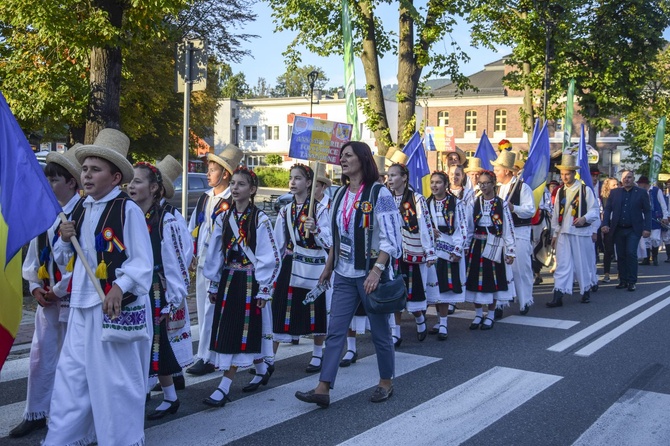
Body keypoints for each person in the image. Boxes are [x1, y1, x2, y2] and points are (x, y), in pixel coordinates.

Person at [45, 129, 153, 446]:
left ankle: (121, 440)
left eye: (95, 169)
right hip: (81, 305)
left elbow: (142, 261)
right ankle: (62, 439)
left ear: (115, 176)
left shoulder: (126, 210)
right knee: (72, 378)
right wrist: (64, 238)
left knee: (114, 384)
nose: (86, 175)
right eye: (85, 169)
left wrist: (120, 286)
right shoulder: (79, 208)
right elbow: (68, 258)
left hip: (111, 309)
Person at [295, 141, 402, 408]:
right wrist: (328, 267)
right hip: (343, 273)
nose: (342, 160)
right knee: (335, 332)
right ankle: (323, 387)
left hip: (370, 275)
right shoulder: (341, 194)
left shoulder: (380, 194)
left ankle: (386, 381)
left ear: (362, 159)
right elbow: (337, 236)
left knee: (379, 333)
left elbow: (392, 239)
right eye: (341, 156)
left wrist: (377, 271)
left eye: (348, 155)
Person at [10, 146, 82, 439]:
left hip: (72, 299)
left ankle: (63, 416)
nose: (49, 185)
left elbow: (84, 261)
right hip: (48, 298)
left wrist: (60, 288)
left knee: (69, 359)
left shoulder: (82, 211)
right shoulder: (46, 212)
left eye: (54, 180)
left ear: (71, 183)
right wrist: (35, 286)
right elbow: (33, 257)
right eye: (47, 179)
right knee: (40, 355)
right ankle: (36, 411)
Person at [201, 167, 281, 406]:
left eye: (241, 184)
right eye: (233, 184)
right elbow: (214, 252)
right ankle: (261, 368)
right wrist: (214, 283)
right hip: (228, 280)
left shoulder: (260, 219)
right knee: (234, 328)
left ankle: (224, 386)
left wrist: (264, 288)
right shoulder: (224, 217)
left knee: (239, 330)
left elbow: (270, 256)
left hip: (249, 281)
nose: (235, 188)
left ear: (252, 190)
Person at [128, 159, 193, 420]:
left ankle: (170, 396)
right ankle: (146, 391)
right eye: (130, 181)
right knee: (138, 342)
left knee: (157, 342)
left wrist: (173, 300)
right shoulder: (129, 213)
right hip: (134, 286)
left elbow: (177, 263)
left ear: (154, 188)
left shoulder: (167, 220)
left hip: (155, 288)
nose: (131, 186)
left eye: (138, 181)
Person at [187, 144, 243, 376]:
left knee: (212, 310)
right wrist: (191, 253)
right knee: (203, 309)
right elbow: (194, 227)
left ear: (225, 174)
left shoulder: (233, 200)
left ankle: (207, 356)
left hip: (221, 266)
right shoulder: (205, 198)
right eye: (209, 169)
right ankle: (208, 352)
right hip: (202, 262)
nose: (208, 174)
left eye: (212, 170)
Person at [272, 164, 331, 372]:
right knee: (281, 306)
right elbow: (277, 244)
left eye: (297, 178)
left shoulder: (320, 209)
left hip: (314, 263)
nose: (292, 182)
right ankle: (271, 356)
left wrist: (316, 229)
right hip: (290, 262)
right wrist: (273, 272)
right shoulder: (286, 211)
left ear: (309, 183)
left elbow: (331, 241)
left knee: (316, 307)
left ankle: (317, 353)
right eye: (291, 178)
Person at [386, 152, 436, 346]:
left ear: (404, 177)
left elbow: (425, 226)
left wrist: (430, 251)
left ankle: (420, 319)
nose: (390, 179)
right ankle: (396, 332)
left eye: (394, 175)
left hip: (412, 251)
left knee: (413, 292)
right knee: (394, 292)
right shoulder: (385, 198)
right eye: (388, 176)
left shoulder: (416, 199)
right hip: (392, 253)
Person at [464, 170, 516, 330]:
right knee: (475, 280)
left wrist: (510, 251)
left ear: (494, 184)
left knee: (492, 281)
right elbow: (469, 227)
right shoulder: (474, 203)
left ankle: (491, 314)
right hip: (477, 247)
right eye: (480, 183)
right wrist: (466, 246)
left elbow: (508, 228)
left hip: (495, 246)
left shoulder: (502, 204)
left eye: (486, 183)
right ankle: (478, 313)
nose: (483, 186)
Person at [547, 154, 600, 307]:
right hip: (564, 233)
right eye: (562, 174)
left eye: (567, 173)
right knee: (563, 264)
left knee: (581, 263)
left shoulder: (585, 190)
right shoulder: (560, 192)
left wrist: (584, 218)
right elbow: (556, 214)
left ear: (573, 174)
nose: (564, 177)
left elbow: (594, 210)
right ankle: (558, 294)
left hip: (580, 233)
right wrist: (555, 233)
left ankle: (585, 290)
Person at [425, 171, 468, 340]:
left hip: (449, 246)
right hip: (433, 249)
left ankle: (443, 324)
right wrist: (430, 231)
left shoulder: (456, 203)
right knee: (435, 286)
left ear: (445, 185)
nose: (435, 186)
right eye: (432, 182)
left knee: (445, 288)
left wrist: (458, 248)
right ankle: (438, 320)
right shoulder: (427, 203)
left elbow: (462, 226)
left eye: (438, 182)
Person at [492, 150, 535, 315]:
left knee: (520, 269)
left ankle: (525, 300)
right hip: (502, 235)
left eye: (497, 170)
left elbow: (530, 210)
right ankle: (500, 304)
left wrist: (514, 208)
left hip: (519, 233)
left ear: (507, 171)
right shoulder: (496, 189)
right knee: (501, 270)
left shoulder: (522, 188)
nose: (495, 173)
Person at [602, 170, 651, 291]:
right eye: (624, 178)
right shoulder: (615, 193)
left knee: (630, 253)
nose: (627, 180)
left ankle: (632, 281)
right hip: (618, 228)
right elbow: (608, 209)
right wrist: (605, 224)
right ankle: (623, 280)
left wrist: (647, 228)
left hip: (633, 229)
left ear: (633, 178)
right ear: (621, 179)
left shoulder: (641, 193)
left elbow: (647, 211)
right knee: (621, 255)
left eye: (629, 177)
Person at [635, 176, 668, 266]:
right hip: (643, 218)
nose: (638, 185)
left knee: (655, 238)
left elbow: (663, 204)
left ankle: (655, 257)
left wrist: (665, 216)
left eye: (640, 183)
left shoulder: (657, 191)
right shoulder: (640, 192)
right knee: (645, 239)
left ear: (644, 183)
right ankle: (646, 259)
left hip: (656, 217)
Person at [600, 178, 619, 283]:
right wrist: (604, 224)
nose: (616, 187)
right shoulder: (603, 198)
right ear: (608, 187)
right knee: (608, 250)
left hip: (619, 224)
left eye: (617, 185)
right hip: (607, 224)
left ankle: (620, 273)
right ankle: (606, 274)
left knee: (620, 249)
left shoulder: (621, 196)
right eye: (614, 185)